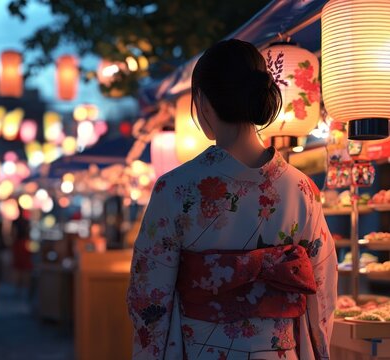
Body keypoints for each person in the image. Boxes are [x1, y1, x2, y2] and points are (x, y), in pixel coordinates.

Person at [126, 39, 337, 360]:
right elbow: (322, 291)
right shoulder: (302, 189)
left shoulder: (175, 189)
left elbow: (148, 297)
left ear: (203, 102)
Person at [10, 207, 32, 297]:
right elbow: (28, 234)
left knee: (19, 267)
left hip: (19, 244)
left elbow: (13, 234)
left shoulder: (15, 222)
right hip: (24, 244)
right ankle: (25, 287)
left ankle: (19, 287)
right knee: (24, 267)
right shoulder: (26, 222)